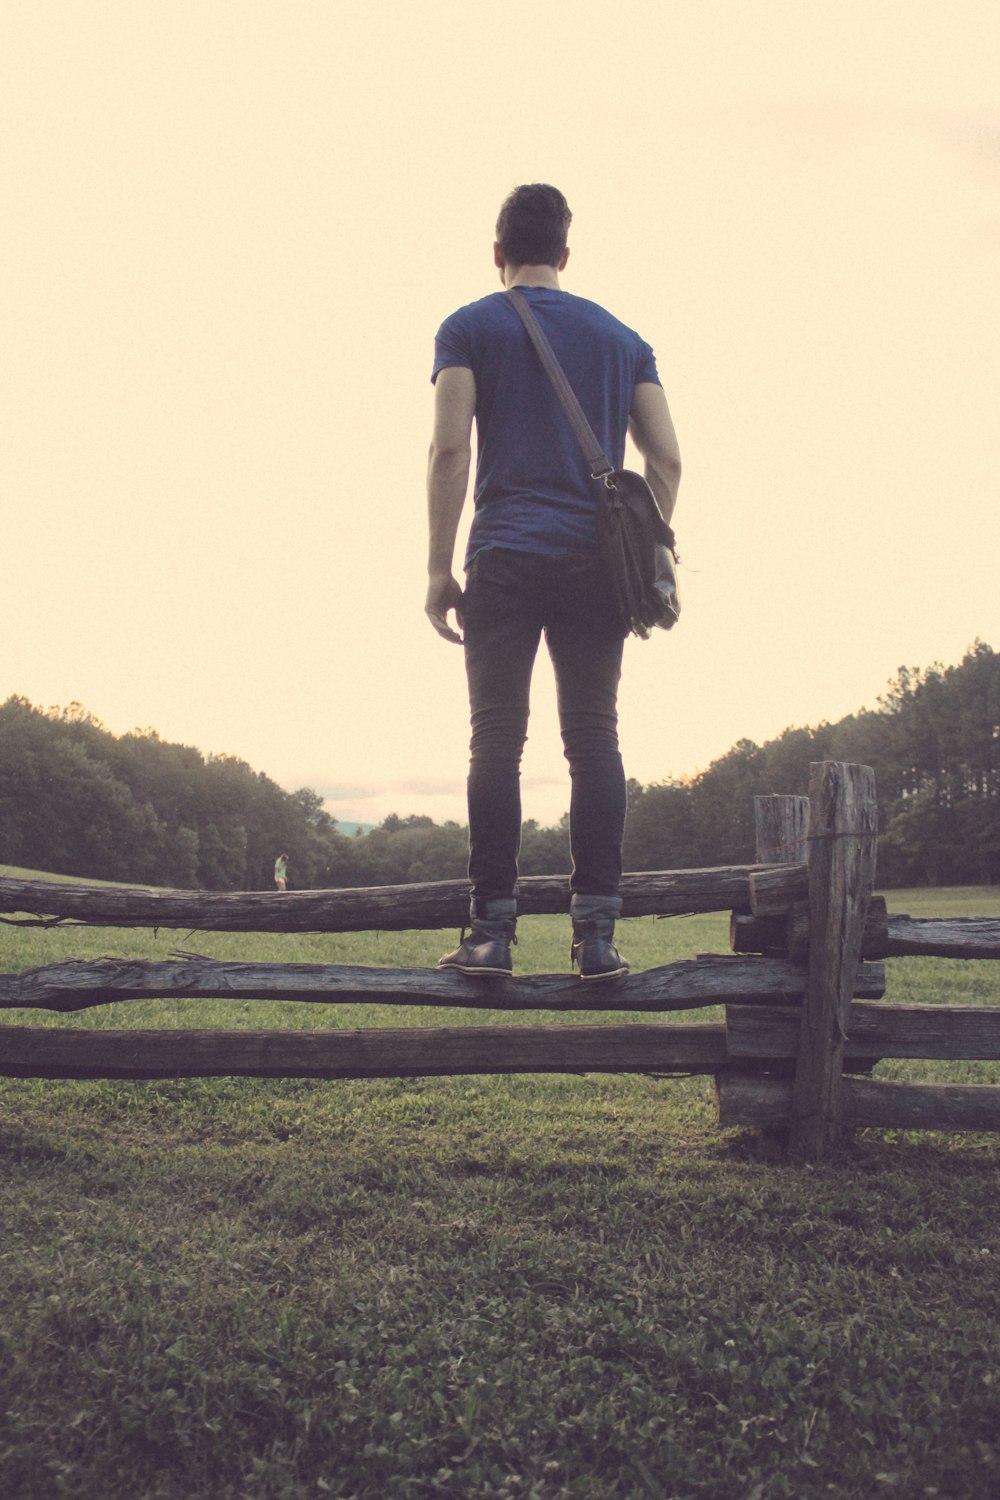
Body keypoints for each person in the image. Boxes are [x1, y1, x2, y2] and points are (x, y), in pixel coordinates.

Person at [425, 184, 681, 980]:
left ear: (497, 251)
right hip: (593, 566)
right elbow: (666, 457)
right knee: (593, 739)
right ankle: (597, 937)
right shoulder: (621, 338)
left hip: (502, 553)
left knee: (497, 742)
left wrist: (438, 565)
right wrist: (650, 546)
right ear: (566, 254)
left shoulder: (468, 326)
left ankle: (491, 934)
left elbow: (448, 452)